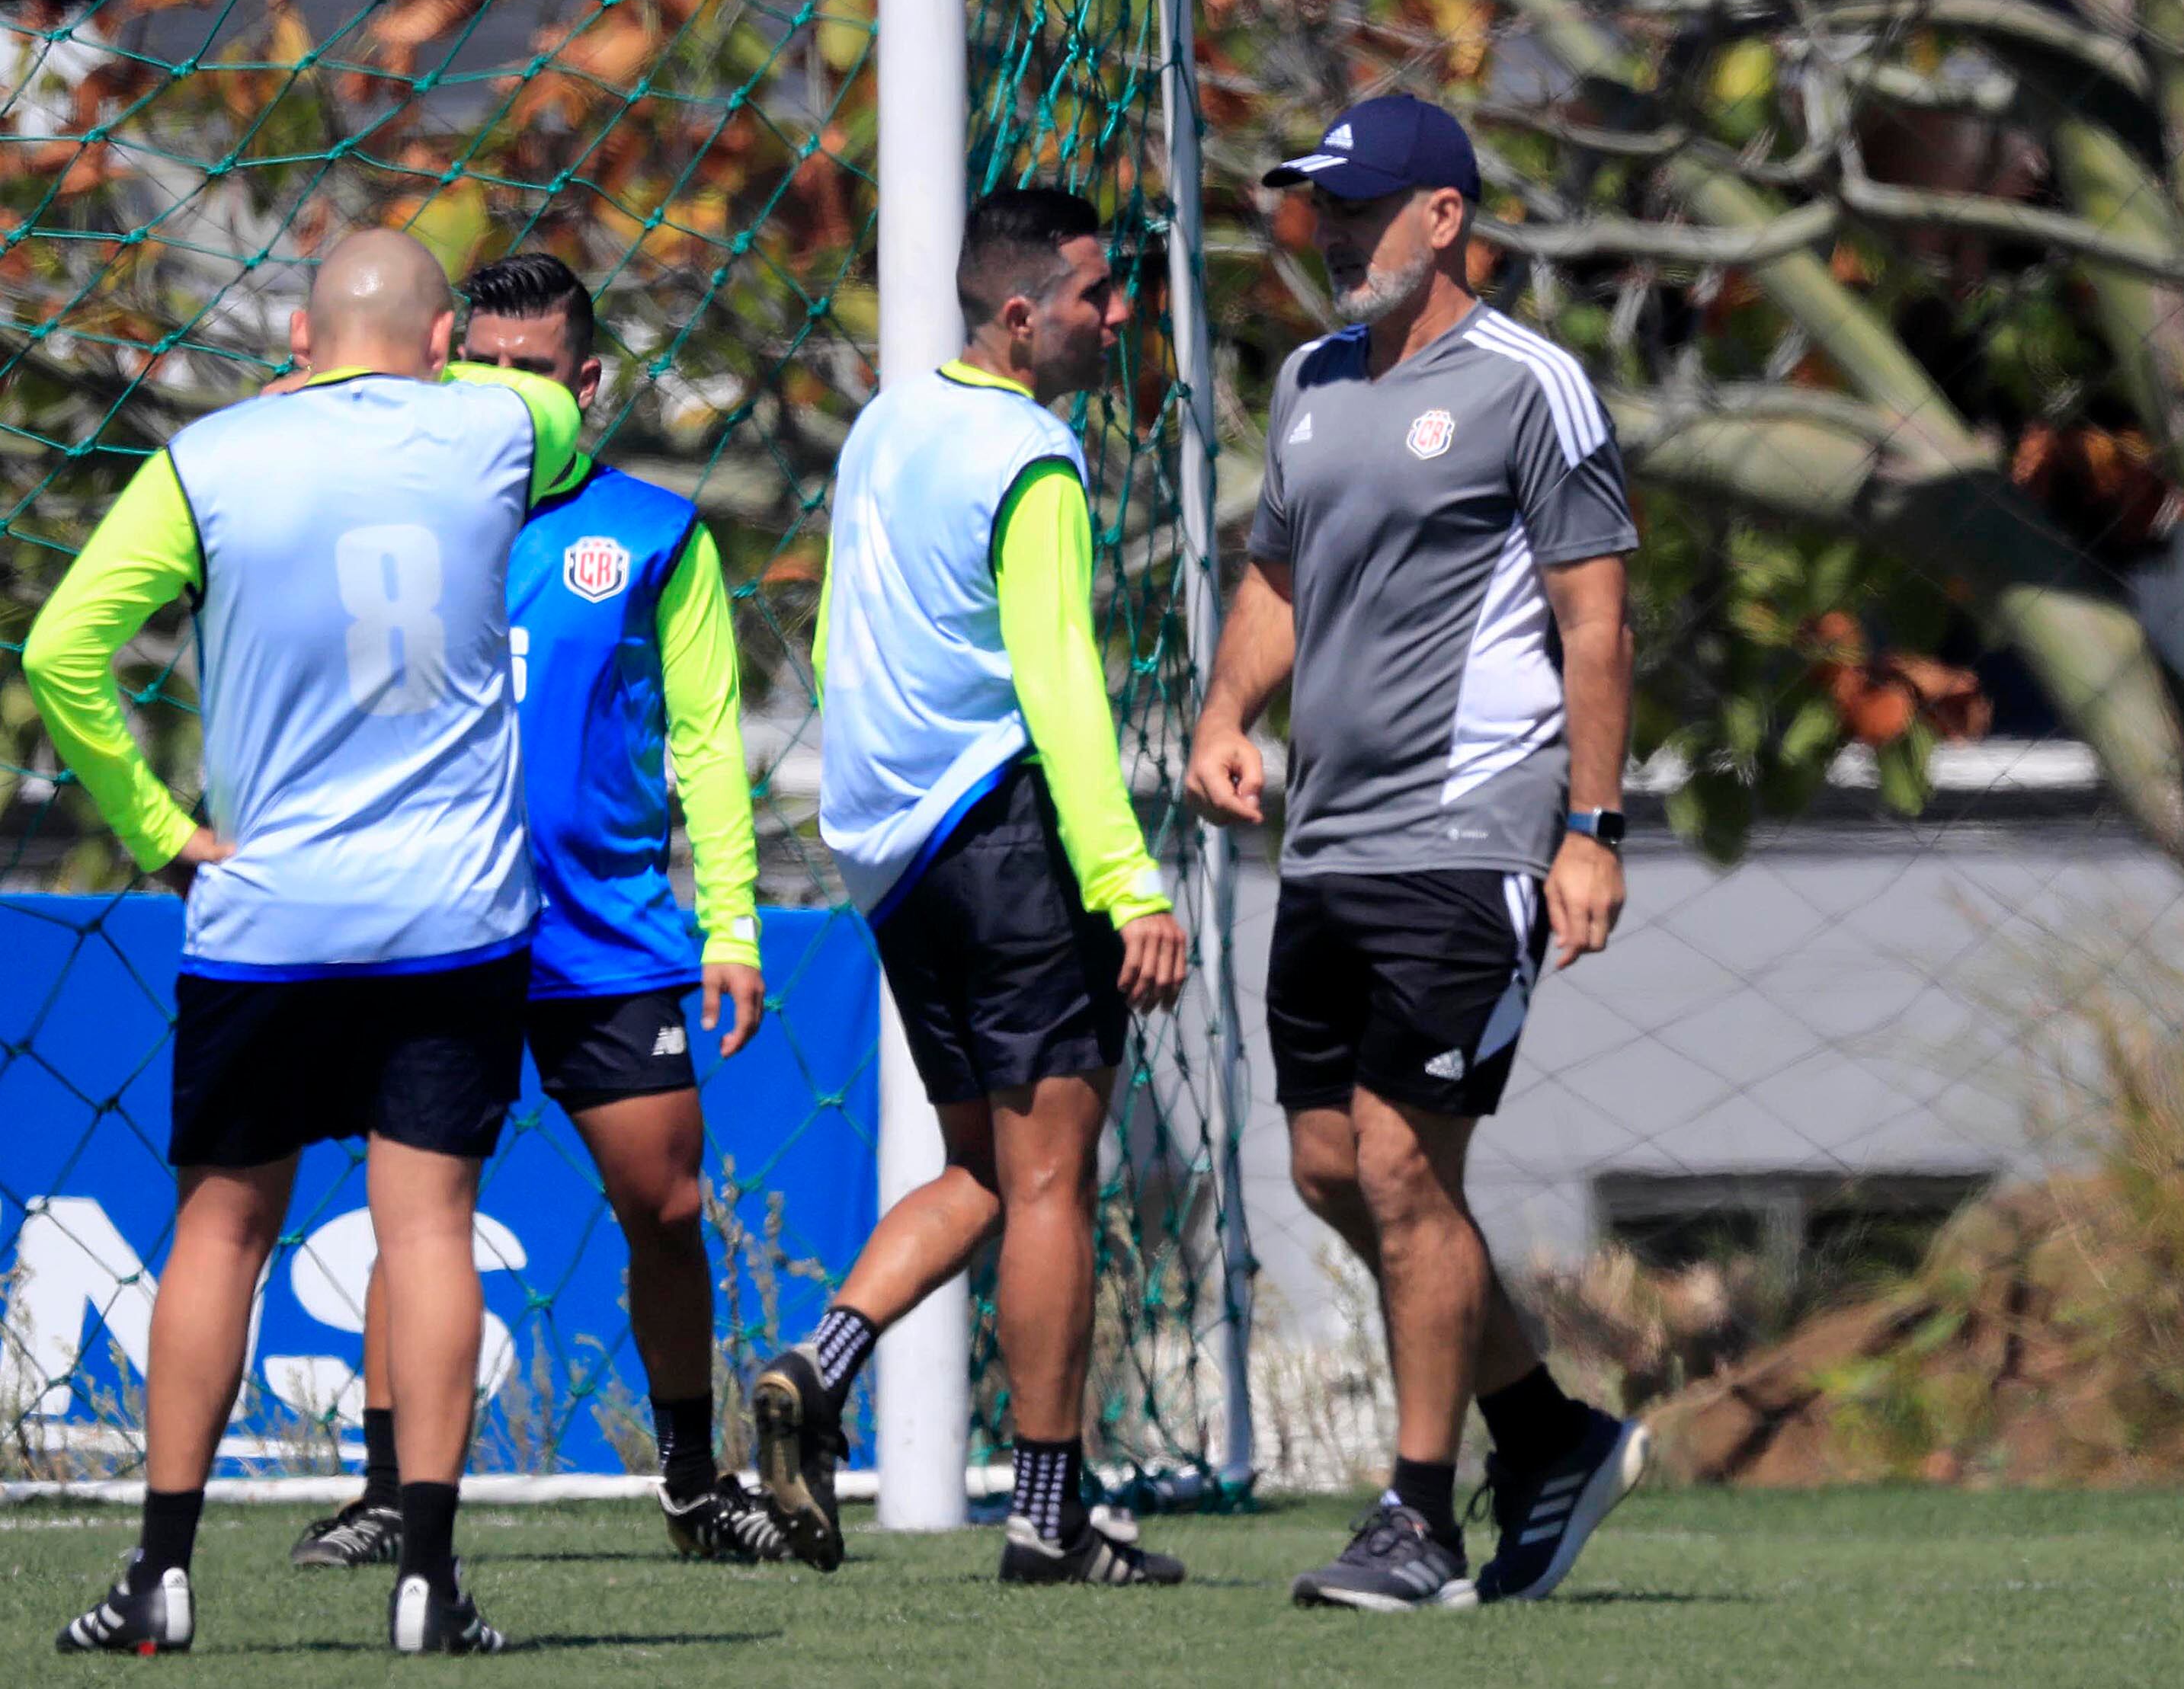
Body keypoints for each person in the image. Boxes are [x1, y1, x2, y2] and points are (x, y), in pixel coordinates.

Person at [27, 228, 585, 1655]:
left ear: (294, 334)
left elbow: (61, 649)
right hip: (452, 919)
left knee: (220, 1231)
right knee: (430, 1228)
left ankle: (160, 1575)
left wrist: (159, 829)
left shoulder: (209, 461)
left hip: (267, 914)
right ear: (446, 340)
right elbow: (556, 411)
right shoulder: (502, 430)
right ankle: (429, 1579)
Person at [1186, 95, 1649, 1612]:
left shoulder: (1533, 384)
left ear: (1443, 216)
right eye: (1318, 206)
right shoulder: (1309, 381)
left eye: (1358, 205)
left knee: (1401, 1163)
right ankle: (1549, 1438)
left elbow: (1595, 619)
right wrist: (1225, 712)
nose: (1328, 233)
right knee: (1331, 1168)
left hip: (1475, 835)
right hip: (1328, 839)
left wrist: (1591, 829)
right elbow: (1277, 579)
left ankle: (1419, 1518)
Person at [288, 253, 786, 1572]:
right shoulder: (393, 516)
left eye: (534, 371)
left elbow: (708, 740)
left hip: (603, 934)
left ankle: (692, 1483)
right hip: (438, 922)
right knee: (418, 1213)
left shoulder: (656, 534)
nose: (506, 394)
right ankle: (388, 1493)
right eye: (484, 367)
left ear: (589, 381)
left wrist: (731, 923)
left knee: (665, 1206)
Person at [745, 187, 1190, 1586]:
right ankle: (1048, 1515)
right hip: (1001, 838)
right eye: (1094, 294)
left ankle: (817, 1368)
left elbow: (839, 634)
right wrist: (1128, 881)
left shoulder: (884, 425)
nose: (1115, 314)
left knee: (985, 1171)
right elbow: (1060, 684)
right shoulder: (1032, 454)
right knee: (1053, 1174)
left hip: (889, 851)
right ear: (1019, 315)